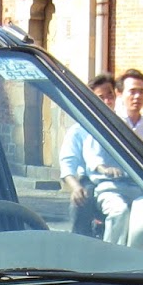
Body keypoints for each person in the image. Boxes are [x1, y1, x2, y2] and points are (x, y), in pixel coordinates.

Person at [58, 73, 120, 238]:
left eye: (110, 96)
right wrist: (76, 187)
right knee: (82, 200)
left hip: (121, 181)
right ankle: (80, 242)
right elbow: (67, 165)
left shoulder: (122, 127)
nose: (107, 101)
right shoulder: (78, 131)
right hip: (91, 180)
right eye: (101, 97)